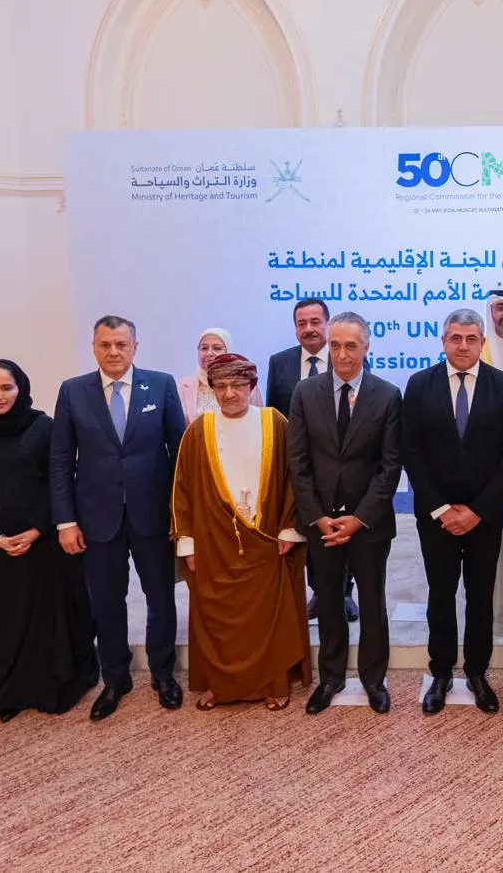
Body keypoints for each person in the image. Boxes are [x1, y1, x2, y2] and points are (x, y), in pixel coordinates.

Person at [49, 316, 185, 720]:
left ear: (135, 347)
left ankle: (163, 674)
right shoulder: (73, 391)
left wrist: (180, 515)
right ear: (93, 347)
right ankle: (115, 678)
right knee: (107, 601)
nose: (113, 352)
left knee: (160, 598)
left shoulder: (160, 385)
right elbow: (60, 461)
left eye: (121, 345)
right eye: (105, 344)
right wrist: (65, 521)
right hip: (96, 518)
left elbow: (179, 455)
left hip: (153, 515)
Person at [0, 359, 98, 722]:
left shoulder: (42, 428)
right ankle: (7, 693)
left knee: (48, 616)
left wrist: (36, 528)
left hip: (42, 545)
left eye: (6, 387)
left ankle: (49, 687)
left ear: (21, 389)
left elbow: (58, 479)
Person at [401, 308, 503, 714]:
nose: (463, 346)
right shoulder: (419, 385)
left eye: (471, 338)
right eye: (455, 338)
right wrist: (441, 509)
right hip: (435, 516)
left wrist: (477, 511)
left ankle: (476, 672)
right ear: (443, 341)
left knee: (479, 596)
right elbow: (411, 451)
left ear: (482, 343)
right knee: (440, 595)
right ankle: (440, 673)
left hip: (483, 518)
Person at [171, 354, 311, 710]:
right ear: (212, 390)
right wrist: (187, 544)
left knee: (267, 615)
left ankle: (273, 682)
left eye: (237, 385)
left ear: (252, 386)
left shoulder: (274, 422)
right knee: (218, 615)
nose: (229, 393)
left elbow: (294, 478)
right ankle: (222, 685)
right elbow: (182, 491)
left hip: (267, 538)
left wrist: (290, 528)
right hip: (213, 541)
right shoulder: (198, 431)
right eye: (221, 386)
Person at [287, 312, 403, 715]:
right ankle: (331, 677)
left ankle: (374, 679)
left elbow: (390, 465)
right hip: (321, 521)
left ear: (366, 347)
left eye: (351, 346)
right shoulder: (305, 392)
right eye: (335, 345)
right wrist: (317, 516)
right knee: (329, 603)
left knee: (371, 603)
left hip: (368, 523)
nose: (341, 354)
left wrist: (359, 518)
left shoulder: (387, 395)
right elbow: (297, 461)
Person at [264, 298, 356, 623]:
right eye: (302, 323)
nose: (309, 329)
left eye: (315, 322)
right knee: (310, 530)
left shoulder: (346, 358)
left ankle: (345, 593)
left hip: (340, 466)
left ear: (327, 325)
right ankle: (319, 591)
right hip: (301, 467)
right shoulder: (280, 363)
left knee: (340, 531)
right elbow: (274, 415)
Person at [178, 327, 262, 422]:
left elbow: (258, 421)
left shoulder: (246, 383)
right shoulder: (182, 386)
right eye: (204, 348)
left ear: (228, 351)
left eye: (216, 348)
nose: (209, 353)